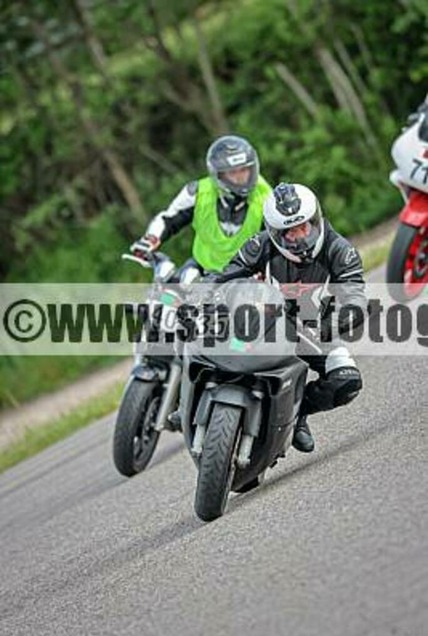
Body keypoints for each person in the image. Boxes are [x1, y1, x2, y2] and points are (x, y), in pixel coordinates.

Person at [203, 182, 367, 452]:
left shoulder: (340, 250)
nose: (300, 237)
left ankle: (297, 413)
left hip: (313, 329)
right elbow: (225, 276)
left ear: (316, 220)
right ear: (275, 233)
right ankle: (194, 398)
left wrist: (330, 326)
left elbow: (355, 298)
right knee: (203, 335)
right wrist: (204, 298)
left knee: (346, 381)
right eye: (290, 232)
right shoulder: (260, 245)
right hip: (263, 319)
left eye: (304, 227)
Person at [131, 135, 272, 281]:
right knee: (175, 289)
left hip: (246, 275)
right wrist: (151, 239)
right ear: (218, 175)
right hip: (201, 268)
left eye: (244, 170)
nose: (240, 178)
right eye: (233, 172)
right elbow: (168, 219)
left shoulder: (268, 199)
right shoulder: (198, 193)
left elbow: (276, 241)